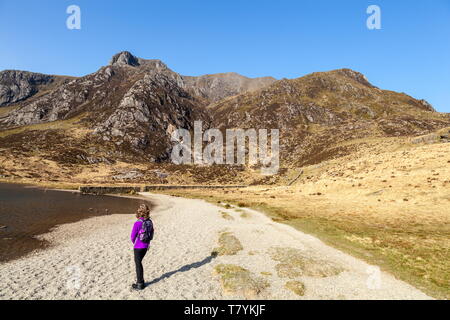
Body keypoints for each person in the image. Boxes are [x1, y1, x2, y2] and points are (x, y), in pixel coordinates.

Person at [130, 203, 154, 290]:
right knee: (139, 263)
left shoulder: (137, 223)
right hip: (146, 246)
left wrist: (135, 243)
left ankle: (140, 284)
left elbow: (132, 236)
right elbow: (151, 234)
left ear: (139, 212)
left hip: (138, 247)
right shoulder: (150, 222)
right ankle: (141, 282)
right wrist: (147, 243)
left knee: (138, 264)